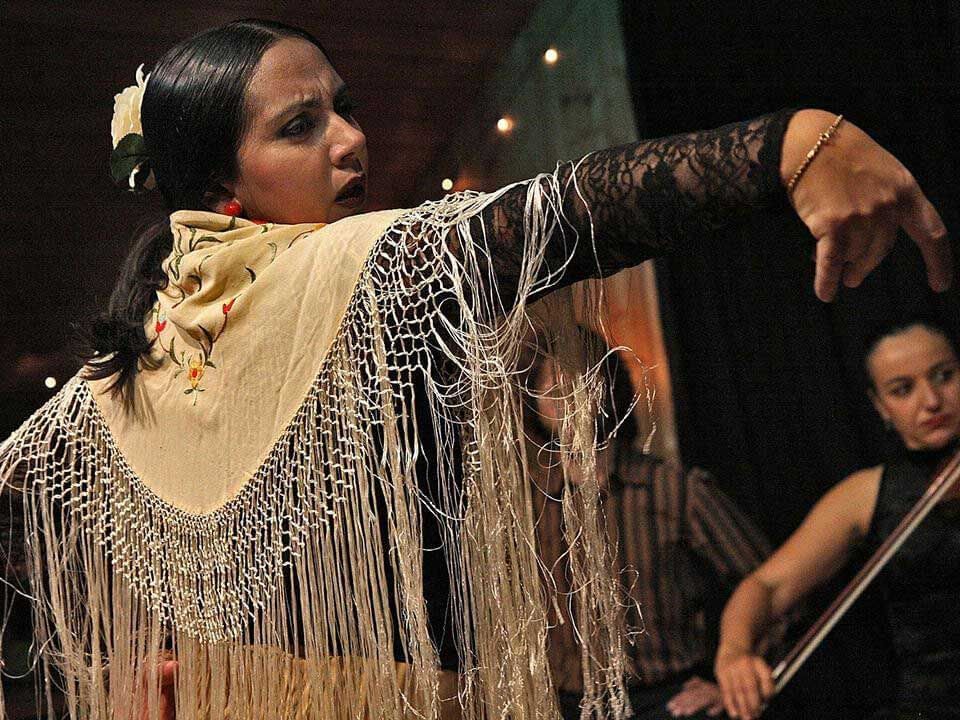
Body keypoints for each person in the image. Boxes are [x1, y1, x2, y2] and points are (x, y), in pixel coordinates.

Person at [0, 16, 950, 720]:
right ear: (218, 183)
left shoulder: (122, 375)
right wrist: (786, 147)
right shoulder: (354, 272)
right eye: (301, 127)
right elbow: (558, 218)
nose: (350, 138)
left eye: (344, 108)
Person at [714, 320, 960, 720]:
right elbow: (767, 585)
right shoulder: (865, 494)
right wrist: (734, 652)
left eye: (944, 376)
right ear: (880, 406)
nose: (931, 400)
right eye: (902, 389)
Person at [524, 343, 780, 720]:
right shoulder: (531, 504)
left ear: (605, 387)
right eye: (550, 387)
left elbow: (771, 584)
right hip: (566, 704)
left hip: (666, 699)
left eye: (576, 379)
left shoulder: (674, 488)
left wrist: (733, 680)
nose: (565, 396)